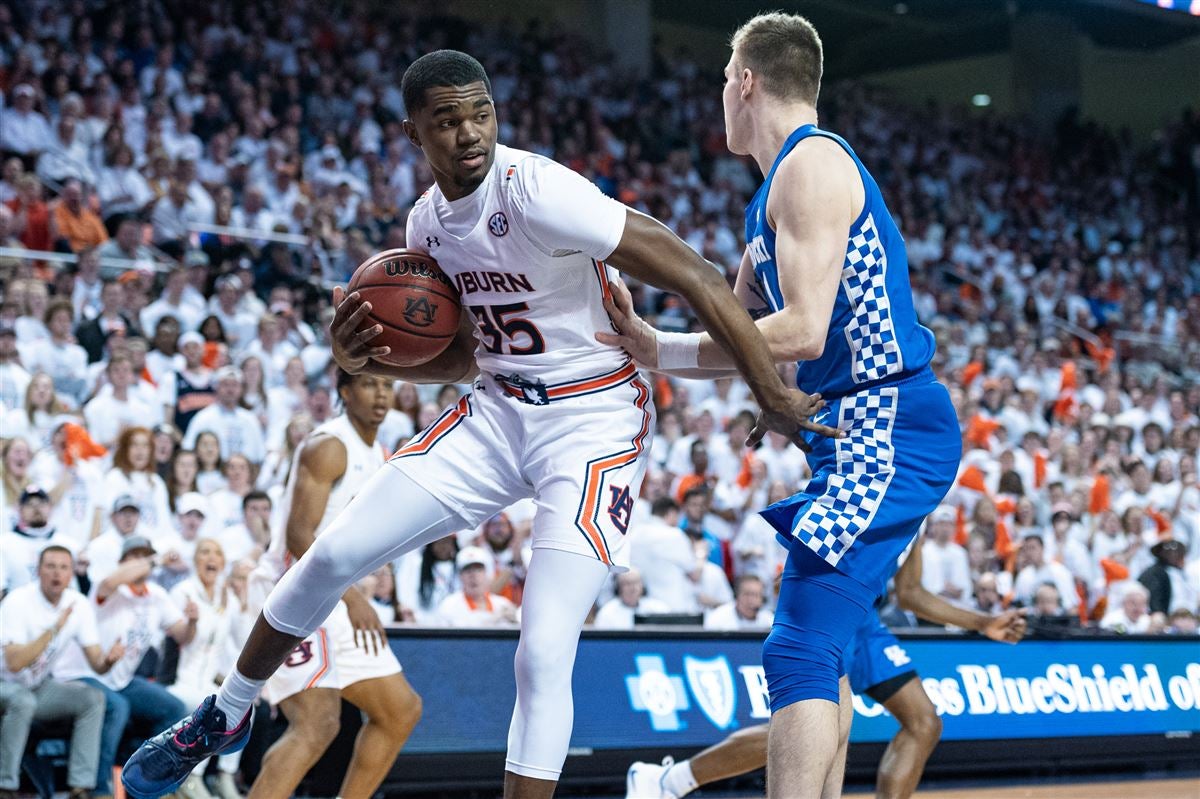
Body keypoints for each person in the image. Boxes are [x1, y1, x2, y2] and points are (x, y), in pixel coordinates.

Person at [122, 49, 829, 799]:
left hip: (592, 420)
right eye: (447, 120)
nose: (468, 132)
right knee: (329, 555)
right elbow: (461, 358)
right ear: (413, 134)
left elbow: (692, 270)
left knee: (542, 650)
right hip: (495, 410)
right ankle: (225, 712)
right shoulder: (424, 223)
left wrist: (771, 393)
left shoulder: (538, 189)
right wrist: (366, 359)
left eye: (480, 112)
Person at [597, 14, 961, 797]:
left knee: (799, 643)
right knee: (818, 647)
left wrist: (764, 375)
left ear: (746, 81)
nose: (721, 97)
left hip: (886, 419)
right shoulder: (770, 199)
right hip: (854, 430)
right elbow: (737, 342)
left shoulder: (813, 165)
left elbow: (798, 329)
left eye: (723, 82)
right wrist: (653, 345)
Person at [626, 532, 1027, 799]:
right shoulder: (866, 482)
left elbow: (910, 593)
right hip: (829, 613)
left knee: (924, 723)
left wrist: (984, 622)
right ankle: (669, 781)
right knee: (804, 734)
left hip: (866, 623)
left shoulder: (917, 507)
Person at [244, 370, 422, 799]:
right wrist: (354, 597)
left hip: (335, 594)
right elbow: (299, 538)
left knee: (400, 711)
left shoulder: (379, 453)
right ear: (345, 392)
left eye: (386, 385)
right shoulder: (328, 447)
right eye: (368, 384)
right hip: (293, 592)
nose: (380, 393)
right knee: (316, 724)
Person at [0, 546, 121, 799]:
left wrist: (109, 660)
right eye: (50, 566)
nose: (57, 573)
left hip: (37, 686)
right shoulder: (18, 601)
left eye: (64, 567)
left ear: (71, 574)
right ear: (38, 571)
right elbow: (14, 663)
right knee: (22, 701)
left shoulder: (77, 603)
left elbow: (96, 662)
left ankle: (81, 788)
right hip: (5, 683)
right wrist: (54, 630)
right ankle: (6, 786)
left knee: (92, 698)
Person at [435, 545, 518, 627]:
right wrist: (494, 619)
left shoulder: (503, 604)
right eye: (467, 570)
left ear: (488, 574)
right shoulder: (448, 606)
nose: (473, 575)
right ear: (460, 576)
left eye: (478, 569)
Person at [592, 569, 670, 630]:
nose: (633, 588)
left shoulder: (658, 608)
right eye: (628, 584)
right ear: (618, 588)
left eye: (636, 583)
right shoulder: (607, 613)